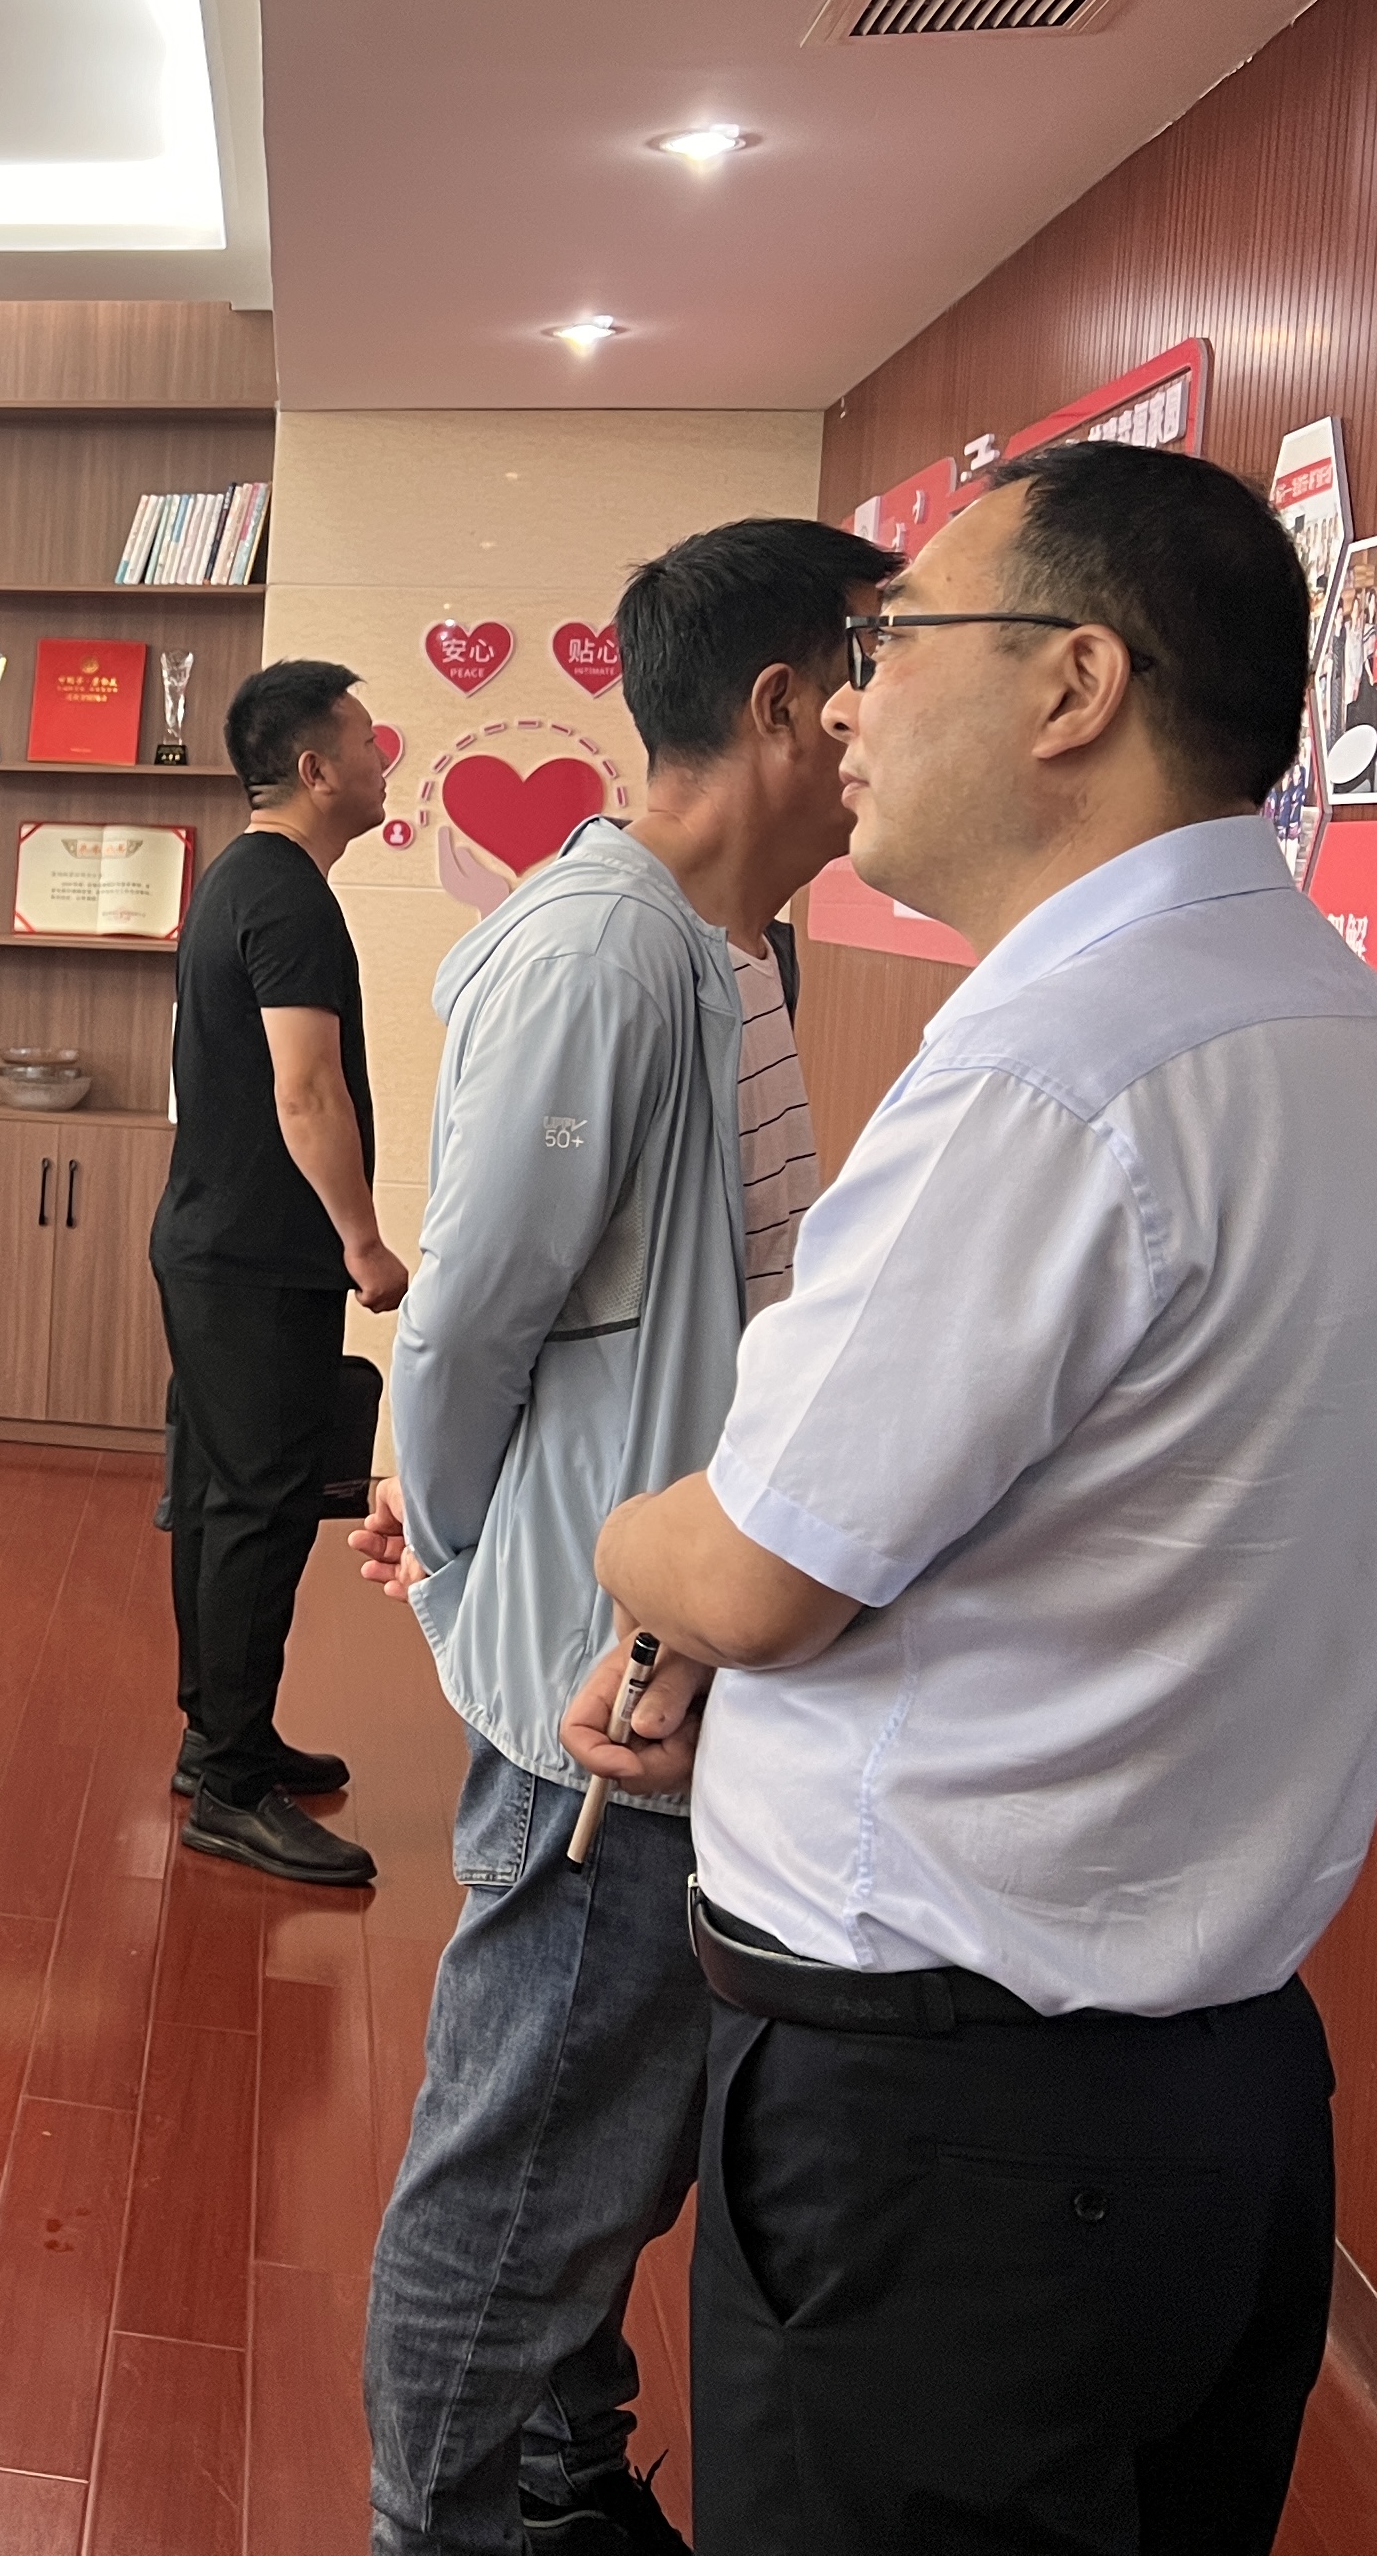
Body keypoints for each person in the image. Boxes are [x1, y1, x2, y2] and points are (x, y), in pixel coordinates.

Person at [565, 442, 1377, 2555]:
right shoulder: (1364, 1035)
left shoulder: (1054, 1066)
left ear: (1075, 685)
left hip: (953, 2141)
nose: (846, 703)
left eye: (892, 643)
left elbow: (760, 1571)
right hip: (1214, 2098)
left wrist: (622, 1545)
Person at [350, 518, 891, 2556]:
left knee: (589, 2136)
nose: (889, 725)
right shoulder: (604, 951)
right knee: (523, 2172)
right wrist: (470, 1562)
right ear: (782, 704)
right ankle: (440, 2525)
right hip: (602, 1683)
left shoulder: (728, 946)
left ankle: (560, 2474)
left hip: (665, 1638)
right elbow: (467, 1317)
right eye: (873, 675)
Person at [147, 658, 407, 1890]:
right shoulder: (289, 896)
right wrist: (363, 1241)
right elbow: (307, 1092)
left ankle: (220, 1741)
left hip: (216, 1241)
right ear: (314, 769)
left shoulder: (239, 879)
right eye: (364, 741)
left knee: (220, 1497)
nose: (381, 758)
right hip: (260, 1255)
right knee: (257, 1509)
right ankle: (233, 1789)